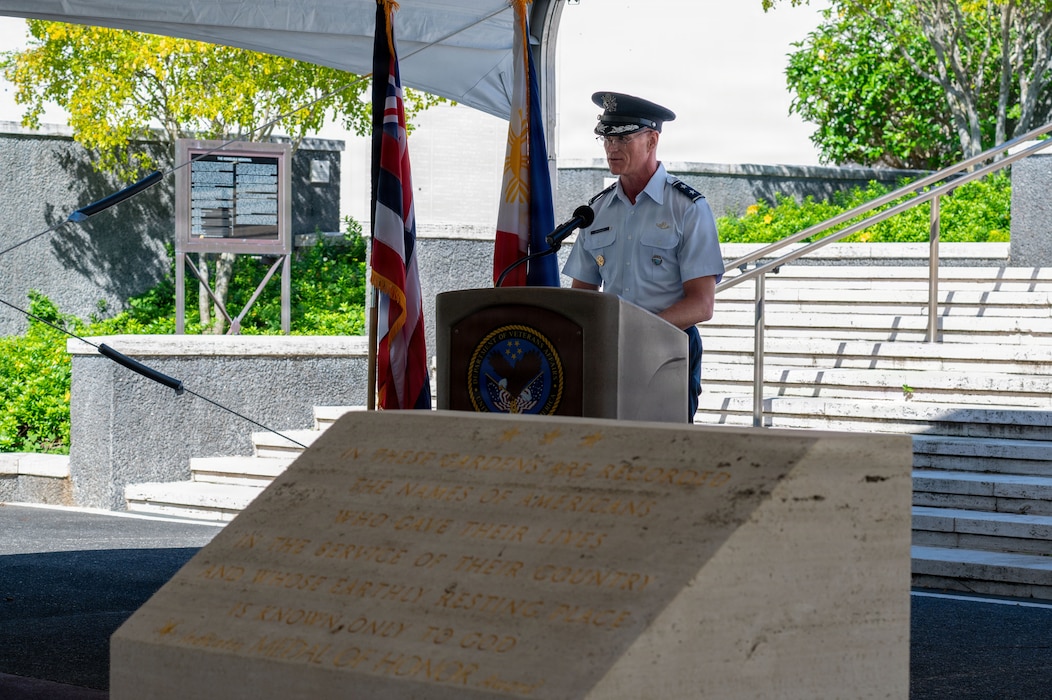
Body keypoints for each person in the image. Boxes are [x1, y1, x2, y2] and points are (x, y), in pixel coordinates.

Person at [562, 91, 725, 422]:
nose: (612, 147)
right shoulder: (596, 211)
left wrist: (634, 335)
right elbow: (582, 296)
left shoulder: (687, 208)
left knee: (663, 455)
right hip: (608, 354)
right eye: (606, 138)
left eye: (623, 137)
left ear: (652, 140)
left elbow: (701, 305)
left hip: (667, 348)